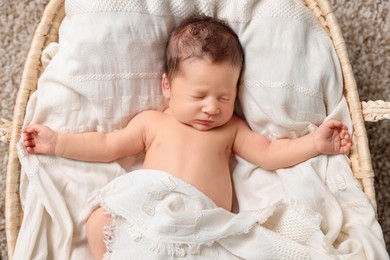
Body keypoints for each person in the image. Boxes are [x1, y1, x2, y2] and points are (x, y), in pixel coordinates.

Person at [22, 15, 351, 259]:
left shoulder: (231, 129)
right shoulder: (151, 123)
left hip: (205, 227)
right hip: (152, 219)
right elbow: (108, 145)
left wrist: (314, 143)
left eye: (224, 97)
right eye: (199, 96)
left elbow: (268, 152)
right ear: (167, 87)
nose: (211, 108)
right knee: (99, 222)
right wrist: (58, 143)